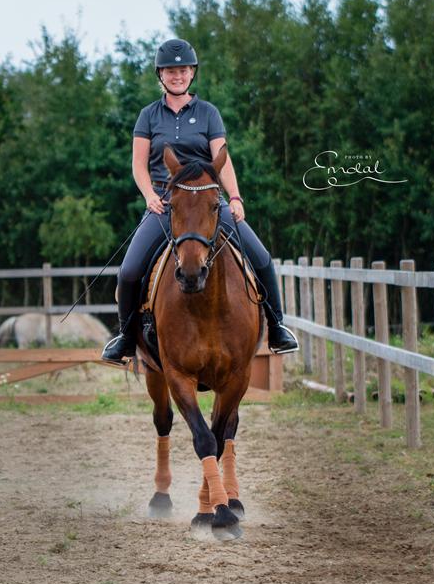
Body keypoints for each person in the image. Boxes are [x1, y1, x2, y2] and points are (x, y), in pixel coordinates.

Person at [101, 38, 299, 365]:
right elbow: (138, 165)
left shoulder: (208, 113)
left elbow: (222, 158)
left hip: (208, 202)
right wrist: (150, 196)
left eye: (183, 70)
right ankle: (125, 337)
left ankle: (277, 328)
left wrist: (235, 197)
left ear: (192, 73)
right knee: (129, 270)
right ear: (160, 75)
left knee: (262, 259)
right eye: (170, 71)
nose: (177, 75)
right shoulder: (148, 115)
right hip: (166, 203)